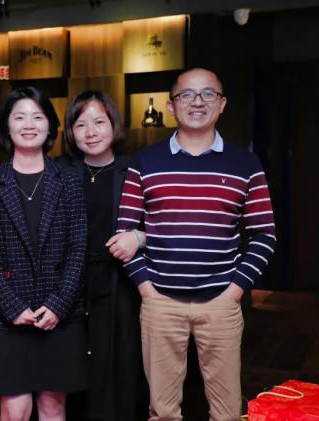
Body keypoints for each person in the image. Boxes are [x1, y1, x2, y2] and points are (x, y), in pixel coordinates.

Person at [116, 68, 276, 421]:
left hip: (221, 302)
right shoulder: (145, 161)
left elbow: (264, 234)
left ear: (222, 104)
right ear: (172, 106)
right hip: (160, 303)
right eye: (187, 94)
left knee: (227, 412)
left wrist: (234, 291)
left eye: (208, 94)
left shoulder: (246, 163)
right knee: (162, 412)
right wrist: (146, 289)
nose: (197, 102)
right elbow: (124, 232)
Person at [0, 86, 88, 421]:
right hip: (9, 318)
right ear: (6, 126)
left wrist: (58, 304)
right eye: (19, 117)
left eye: (37, 117)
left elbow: (78, 247)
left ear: (49, 125)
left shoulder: (70, 180)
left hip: (61, 316)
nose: (28, 124)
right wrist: (12, 306)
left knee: (53, 407)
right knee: (14, 409)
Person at [58, 90, 145, 421]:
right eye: (81, 124)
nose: (90, 132)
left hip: (119, 286)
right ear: (70, 130)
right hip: (71, 290)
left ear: (114, 125)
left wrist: (139, 237)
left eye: (99, 122)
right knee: (74, 374)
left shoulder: (133, 170)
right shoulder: (60, 171)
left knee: (119, 369)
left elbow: (164, 222)